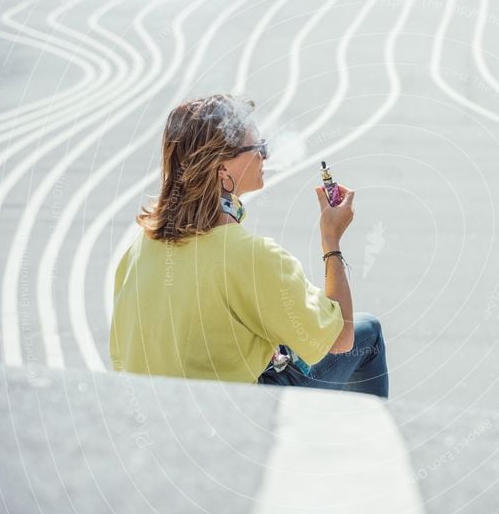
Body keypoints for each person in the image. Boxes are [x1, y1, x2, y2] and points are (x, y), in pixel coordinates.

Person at [108, 93, 388, 398]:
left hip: (160, 412)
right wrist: (331, 239)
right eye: (258, 148)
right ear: (222, 170)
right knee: (367, 334)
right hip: (236, 416)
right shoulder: (252, 257)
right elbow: (342, 337)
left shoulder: (140, 248)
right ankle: (366, 442)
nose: (265, 155)